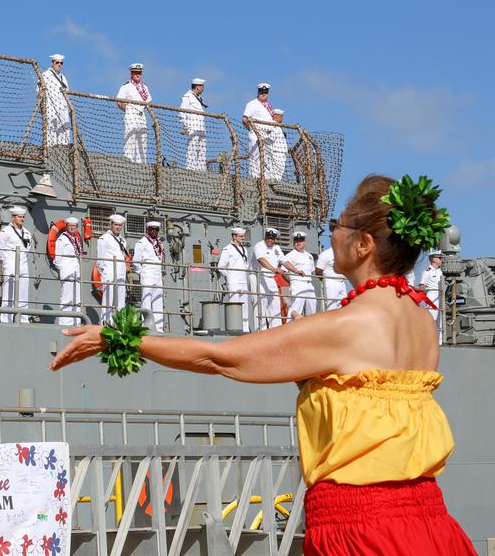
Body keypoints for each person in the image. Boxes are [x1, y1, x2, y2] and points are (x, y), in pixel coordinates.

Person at [49, 174, 474, 556]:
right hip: (431, 523)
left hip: (360, 529)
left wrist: (119, 338)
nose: (331, 236)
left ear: (363, 244)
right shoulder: (422, 321)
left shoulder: (348, 324)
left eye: (337, 226)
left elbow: (222, 358)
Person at [0, 206, 32, 323]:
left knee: (23, 295)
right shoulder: (5, 232)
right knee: (8, 295)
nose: (22, 219)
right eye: (19, 217)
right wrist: (6, 264)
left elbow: (27, 250)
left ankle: (23, 319)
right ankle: (6, 320)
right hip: (10, 265)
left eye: (23, 217)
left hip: (23, 265)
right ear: (13, 218)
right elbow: (0, 251)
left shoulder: (27, 233)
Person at [242, 83, 284, 181]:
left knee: (267, 160)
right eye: (262, 92)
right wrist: (252, 129)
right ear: (258, 92)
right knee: (255, 158)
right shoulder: (252, 104)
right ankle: (255, 179)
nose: (263, 94)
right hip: (256, 135)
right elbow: (245, 118)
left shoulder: (268, 105)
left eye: (265, 92)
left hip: (267, 137)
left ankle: (265, 180)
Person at [116, 63, 152, 163]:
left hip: (142, 115)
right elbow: (119, 102)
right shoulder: (126, 86)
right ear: (131, 73)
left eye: (139, 72)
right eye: (136, 72)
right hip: (131, 113)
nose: (138, 74)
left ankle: (142, 164)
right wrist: (127, 110)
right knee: (130, 139)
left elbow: (149, 103)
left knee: (143, 141)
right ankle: (129, 162)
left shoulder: (145, 88)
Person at [133, 221, 166, 332]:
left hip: (157, 274)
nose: (154, 231)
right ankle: (146, 326)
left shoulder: (159, 243)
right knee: (146, 301)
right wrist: (142, 273)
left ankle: (159, 327)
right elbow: (136, 261)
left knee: (158, 301)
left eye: (156, 229)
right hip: (147, 273)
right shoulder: (142, 243)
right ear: (147, 230)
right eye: (152, 229)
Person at [217, 227, 251, 332]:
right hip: (234, 281)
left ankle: (245, 328)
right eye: (241, 236)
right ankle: (234, 328)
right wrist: (229, 275)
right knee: (234, 304)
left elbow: (245, 264)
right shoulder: (228, 249)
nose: (243, 238)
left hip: (243, 280)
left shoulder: (244, 249)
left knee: (244, 306)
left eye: (243, 236)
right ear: (234, 236)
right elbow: (221, 266)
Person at [96, 214, 129, 323]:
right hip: (109, 273)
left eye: (120, 225)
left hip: (120, 274)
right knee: (108, 301)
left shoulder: (123, 241)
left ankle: (120, 324)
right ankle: (105, 324)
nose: (118, 227)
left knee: (121, 301)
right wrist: (104, 272)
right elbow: (100, 260)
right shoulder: (104, 239)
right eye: (115, 225)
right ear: (111, 225)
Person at [252, 227, 284, 329]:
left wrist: (296, 270)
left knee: (275, 305)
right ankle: (260, 331)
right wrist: (274, 269)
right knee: (260, 305)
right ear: (265, 237)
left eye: (272, 238)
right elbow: (261, 259)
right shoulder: (259, 246)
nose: (270, 240)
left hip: (271, 278)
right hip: (258, 278)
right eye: (268, 238)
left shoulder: (276, 248)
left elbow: (284, 260)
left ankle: (276, 331)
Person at [54, 217, 83, 326]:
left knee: (76, 296)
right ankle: (65, 322)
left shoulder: (76, 239)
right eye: (70, 225)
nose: (72, 227)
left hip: (75, 269)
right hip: (67, 269)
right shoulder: (62, 239)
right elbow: (58, 258)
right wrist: (63, 270)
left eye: (74, 226)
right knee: (67, 296)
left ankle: (76, 321)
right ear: (66, 226)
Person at [283, 231, 316, 318]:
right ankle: (289, 327)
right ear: (294, 242)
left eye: (300, 240)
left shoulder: (309, 256)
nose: (298, 242)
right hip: (297, 283)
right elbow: (284, 271)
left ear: (304, 242)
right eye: (296, 240)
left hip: (309, 284)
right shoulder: (290, 255)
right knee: (296, 308)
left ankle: (310, 329)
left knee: (312, 308)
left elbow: (312, 270)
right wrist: (292, 281)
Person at [41, 54, 71, 146]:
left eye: (61, 63)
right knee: (51, 127)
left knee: (64, 127)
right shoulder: (46, 75)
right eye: (57, 62)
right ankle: (50, 146)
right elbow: (39, 90)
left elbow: (67, 92)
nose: (59, 65)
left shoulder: (63, 78)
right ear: (52, 63)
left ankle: (64, 146)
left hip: (62, 107)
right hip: (51, 105)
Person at [179, 78, 207, 171]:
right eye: (202, 87)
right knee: (192, 147)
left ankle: (201, 168)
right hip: (193, 126)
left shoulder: (198, 98)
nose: (203, 89)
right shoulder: (188, 96)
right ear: (197, 87)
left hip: (201, 127)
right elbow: (182, 111)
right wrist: (185, 125)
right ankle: (190, 168)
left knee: (202, 148)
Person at [420, 251, 444, 343]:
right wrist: (425, 297)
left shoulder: (440, 271)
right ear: (433, 259)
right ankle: (429, 341)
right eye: (439, 258)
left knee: (440, 321)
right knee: (432, 319)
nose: (441, 259)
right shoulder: (427, 272)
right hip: (432, 296)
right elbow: (422, 286)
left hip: (440, 296)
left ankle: (440, 342)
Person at [315, 245, 347, 311]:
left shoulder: (342, 254)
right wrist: (326, 280)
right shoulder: (326, 254)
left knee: (344, 306)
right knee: (331, 307)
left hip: (342, 283)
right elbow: (318, 270)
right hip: (331, 283)